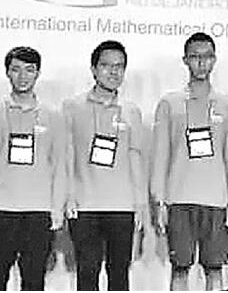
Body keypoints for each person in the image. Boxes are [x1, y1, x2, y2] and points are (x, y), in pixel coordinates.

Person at [151, 32, 228, 291]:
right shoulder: (170, 103)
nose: (201, 63)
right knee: (180, 268)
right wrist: (160, 200)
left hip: (217, 199)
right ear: (185, 60)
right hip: (179, 198)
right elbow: (161, 154)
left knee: (215, 269)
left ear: (214, 60)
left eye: (207, 57)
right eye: (195, 57)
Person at [0, 46, 66, 290]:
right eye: (16, 69)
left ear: (38, 74)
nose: (22, 76)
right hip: (0, 209)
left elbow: (60, 165)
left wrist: (57, 207)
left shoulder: (53, 117)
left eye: (29, 70)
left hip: (39, 211)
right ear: (7, 73)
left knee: (34, 282)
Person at [63, 40, 146, 291]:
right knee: (87, 272)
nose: (113, 72)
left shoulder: (131, 111)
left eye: (119, 66)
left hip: (122, 205)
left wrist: (140, 202)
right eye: (107, 65)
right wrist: (68, 196)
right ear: (93, 69)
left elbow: (136, 157)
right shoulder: (72, 107)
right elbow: (67, 154)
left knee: (119, 274)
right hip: (85, 204)